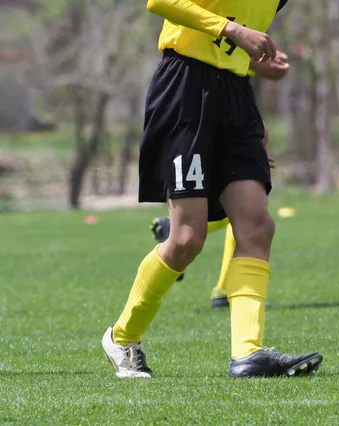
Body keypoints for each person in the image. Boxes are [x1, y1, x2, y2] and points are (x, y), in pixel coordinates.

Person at [102, 0, 323, 378]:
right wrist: (234, 31)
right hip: (185, 88)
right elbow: (161, 2)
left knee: (257, 225)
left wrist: (252, 62)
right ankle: (122, 336)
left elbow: (231, 39)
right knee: (187, 238)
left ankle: (247, 353)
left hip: (235, 95)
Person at [150, 51, 290, 309]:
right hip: (205, 100)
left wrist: (260, 65)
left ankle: (234, 312)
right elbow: (209, 47)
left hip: (232, 100)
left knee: (250, 214)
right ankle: (124, 333)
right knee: (236, 218)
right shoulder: (218, 20)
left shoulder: (249, 18)